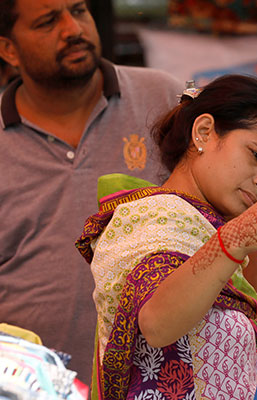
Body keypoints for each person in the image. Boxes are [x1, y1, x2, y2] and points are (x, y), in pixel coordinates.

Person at [75, 74, 257, 400]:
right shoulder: (153, 217)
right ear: (204, 132)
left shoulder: (212, 231)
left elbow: (233, 334)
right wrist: (238, 237)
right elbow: (158, 324)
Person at [0, 0, 183, 383]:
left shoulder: (164, 99)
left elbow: (233, 218)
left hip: (164, 382)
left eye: (78, 10)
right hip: (34, 387)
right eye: (49, 21)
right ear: (8, 50)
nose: (73, 29)